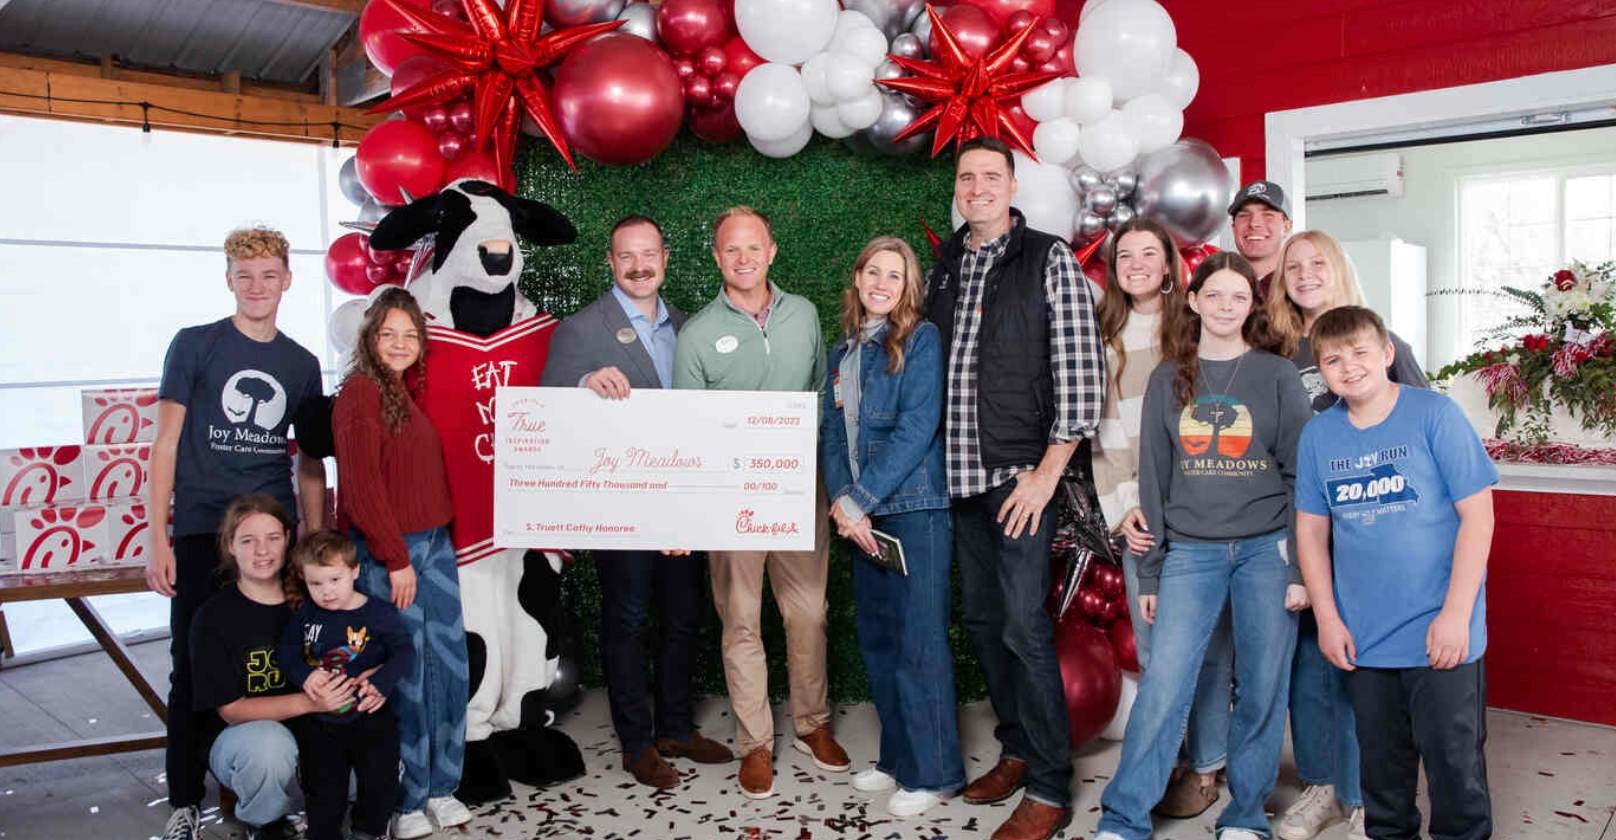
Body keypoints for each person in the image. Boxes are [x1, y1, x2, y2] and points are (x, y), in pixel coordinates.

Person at [1094, 253, 1312, 840]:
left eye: (1237, 298)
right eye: (1213, 296)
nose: (1224, 307)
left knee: (1263, 684)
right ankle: (1124, 817)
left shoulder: (1276, 375)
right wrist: (1154, 571)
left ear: (1252, 306)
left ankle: (1245, 816)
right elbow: (1155, 479)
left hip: (1268, 550)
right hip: (1190, 551)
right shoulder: (1170, 376)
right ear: (1193, 301)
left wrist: (1300, 566)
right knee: (1165, 683)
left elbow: (1301, 474)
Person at [925, 137, 1104, 840]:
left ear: (1010, 186)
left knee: (1027, 630)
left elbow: (1081, 377)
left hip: (1019, 482)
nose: (977, 188)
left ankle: (1052, 788)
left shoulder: (1047, 258)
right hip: (959, 483)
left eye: (989, 176)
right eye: (966, 178)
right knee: (981, 624)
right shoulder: (945, 267)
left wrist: (1046, 475)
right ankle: (1018, 747)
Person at [541, 215, 732, 789]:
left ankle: (675, 726)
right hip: (618, 506)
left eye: (649, 254)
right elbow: (548, 403)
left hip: (680, 503)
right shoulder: (580, 329)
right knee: (626, 620)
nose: (639, 265)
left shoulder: (688, 325)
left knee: (682, 616)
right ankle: (636, 742)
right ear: (611, 262)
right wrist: (583, 385)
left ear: (666, 259)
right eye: (627, 256)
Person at [149, 226, 326, 840]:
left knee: (281, 655)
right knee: (189, 666)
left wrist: (314, 541)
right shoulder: (195, 346)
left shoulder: (301, 365)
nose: (257, 287)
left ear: (287, 280)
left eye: (269, 275)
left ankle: (269, 780)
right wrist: (157, 536)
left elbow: (308, 461)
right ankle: (184, 798)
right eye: (244, 276)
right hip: (202, 529)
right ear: (229, 280)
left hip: (272, 536)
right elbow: (165, 442)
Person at [1294, 306, 1496, 840]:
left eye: (1360, 352)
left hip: (1442, 632)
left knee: (1455, 770)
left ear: (1387, 354)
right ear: (1321, 371)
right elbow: (1311, 535)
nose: (1349, 366)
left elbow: (1479, 517)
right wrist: (1329, 621)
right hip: (1364, 637)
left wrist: (1455, 616)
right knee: (1383, 776)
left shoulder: (1435, 415)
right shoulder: (1318, 437)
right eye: (1333, 359)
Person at [673, 205, 848, 799]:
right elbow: (687, 430)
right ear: (717, 257)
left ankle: (813, 724)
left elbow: (821, 394)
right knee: (741, 620)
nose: (744, 259)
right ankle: (755, 743)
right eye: (731, 250)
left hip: (799, 490)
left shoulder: (803, 314)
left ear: (771, 251)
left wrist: (828, 481)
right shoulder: (696, 334)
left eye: (754, 248)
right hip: (731, 499)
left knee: (809, 613)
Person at [1267, 230, 1428, 840]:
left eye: (1318, 263)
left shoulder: (1382, 343)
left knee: (1364, 666)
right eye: (1294, 266)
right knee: (1309, 663)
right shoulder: (1280, 355)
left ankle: (1368, 796)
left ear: (1339, 270)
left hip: (1372, 530)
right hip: (1304, 531)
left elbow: (1421, 433)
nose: (1306, 273)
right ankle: (1321, 786)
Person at [819, 236, 963, 818]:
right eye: (872, 272)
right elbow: (831, 434)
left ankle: (935, 773)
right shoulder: (842, 352)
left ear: (909, 288)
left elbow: (917, 427)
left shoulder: (921, 340)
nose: (881, 283)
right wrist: (843, 503)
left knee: (919, 644)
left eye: (895, 276)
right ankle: (898, 759)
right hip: (861, 518)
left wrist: (861, 498)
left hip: (914, 511)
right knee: (880, 641)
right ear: (857, 279)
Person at [1094, 218, 1232, 819]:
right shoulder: (1104, 335)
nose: (1138, 263)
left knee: (1209, 648)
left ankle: (1208, 766)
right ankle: (1171, 758)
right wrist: (1125, 510)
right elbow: (1105, 434)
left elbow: (1223, 419)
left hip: (1204, 510)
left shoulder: (1199, 329)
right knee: (1156, 652)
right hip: (1141, 514)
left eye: (1150, 253)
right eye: (1126, 254)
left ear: (1170, 264)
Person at [330, 287, 468, 839]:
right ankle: (404, 798)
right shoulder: (359, 394)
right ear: (369, 337)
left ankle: (442, 785)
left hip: (434, 547)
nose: (400, 343)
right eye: (388, 333)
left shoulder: (400, 393)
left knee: (447, 670)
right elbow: (361, 490)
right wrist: (394, 559)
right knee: (402, 678)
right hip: (392, 554)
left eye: (410, 334)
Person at [188, 496, 355, 840]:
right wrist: (311, 703)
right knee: (268, 746)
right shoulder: (213, 617)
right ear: (230, 546)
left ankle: (335, 804)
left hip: (314, 726)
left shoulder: (317, 597)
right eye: (248, 541)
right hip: (244, 738)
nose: (262, 550)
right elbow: (232, 710)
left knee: (366, 753)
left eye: (273, 538)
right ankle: (266, 822)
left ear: (289, 539)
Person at [280, 529, 414, 840]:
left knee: (378, 781)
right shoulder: (305, 615)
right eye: (316, 583)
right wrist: (305, 675)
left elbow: (404, 651)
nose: (326, 591)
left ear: (354, 571)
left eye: (334, 580)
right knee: (323, 788)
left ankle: (369, 831)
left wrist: (381, 682)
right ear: (304, 580)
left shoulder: (378, 612)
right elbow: (286, 653)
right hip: (321, 722)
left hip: (370, 716)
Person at [1228, 180, 1294, 297]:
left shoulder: (1299, 287)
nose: (1254, 223)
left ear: (1287, 227)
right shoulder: (1215, 286)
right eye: (1244, 215)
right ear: (1234, 228)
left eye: (1268, 214)